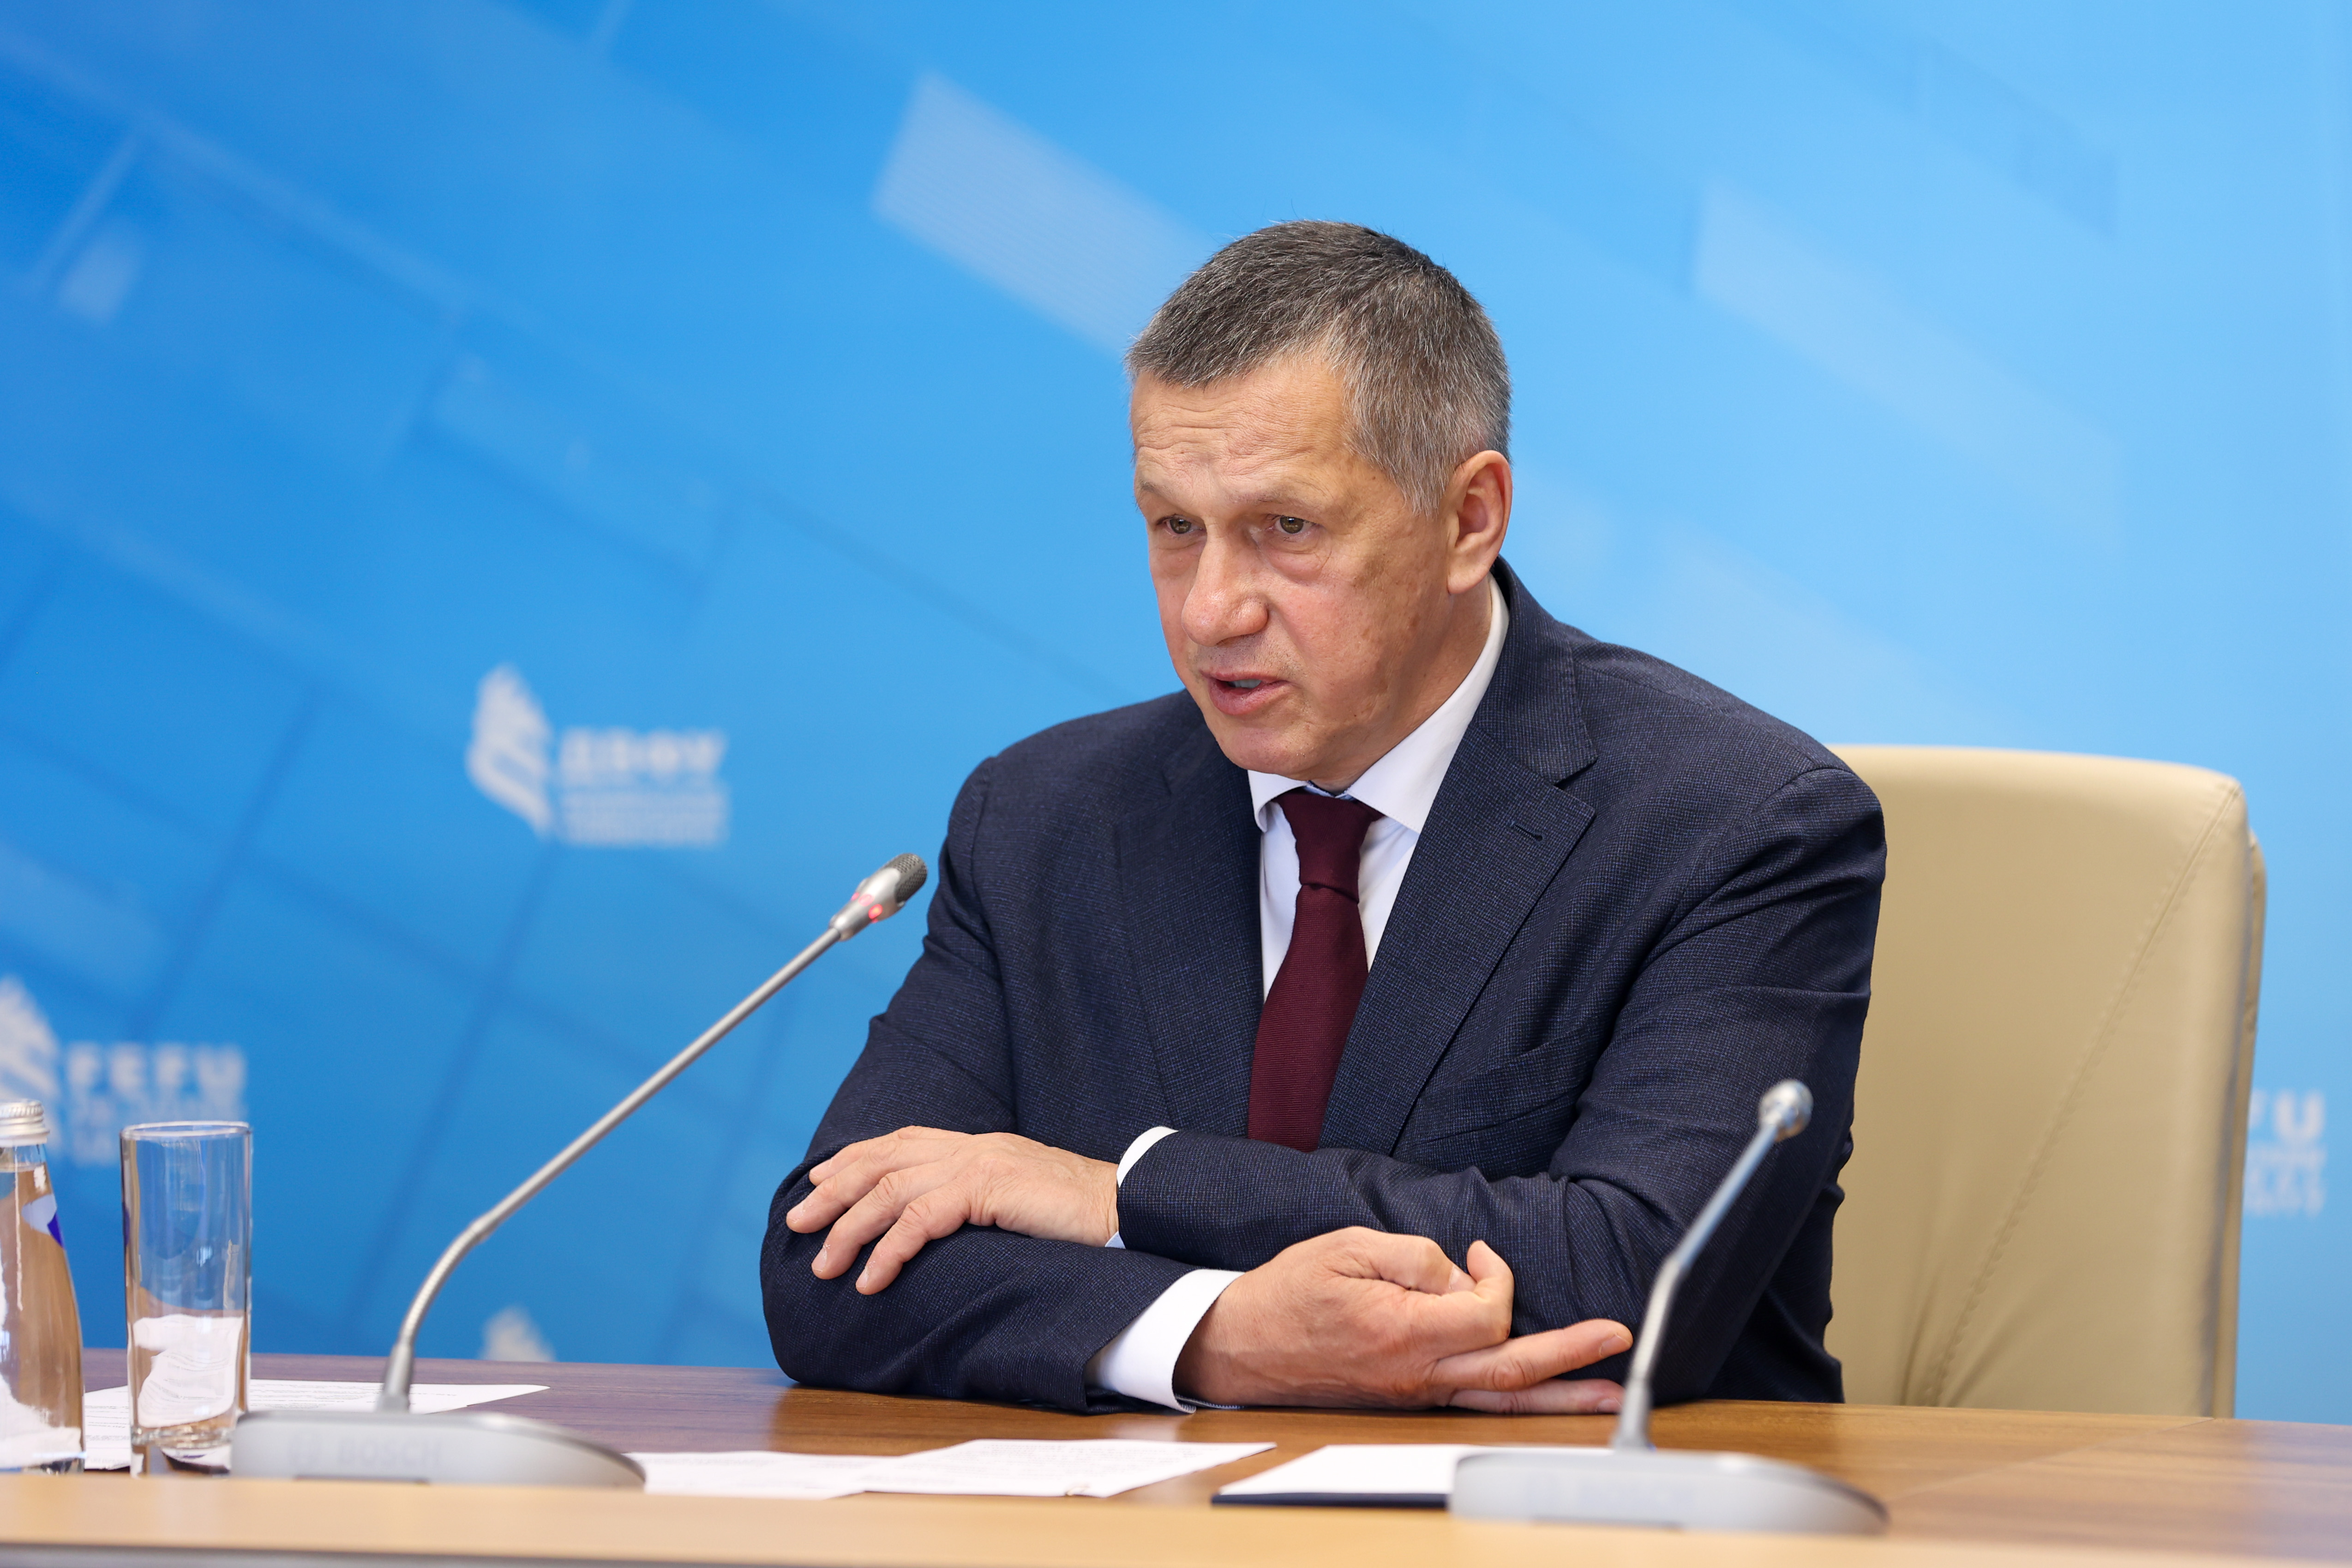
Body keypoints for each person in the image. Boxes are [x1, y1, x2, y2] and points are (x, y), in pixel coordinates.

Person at [761, 221, 1884, 1415]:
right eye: (1175, 528)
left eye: (1285, 530)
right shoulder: (1044, 819)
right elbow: (831, 1263)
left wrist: (1118, 1194)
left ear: (1469, 520)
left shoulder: (1735, 824)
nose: (1210, 611)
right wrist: (1213, 1338)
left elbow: (1634, 1277)